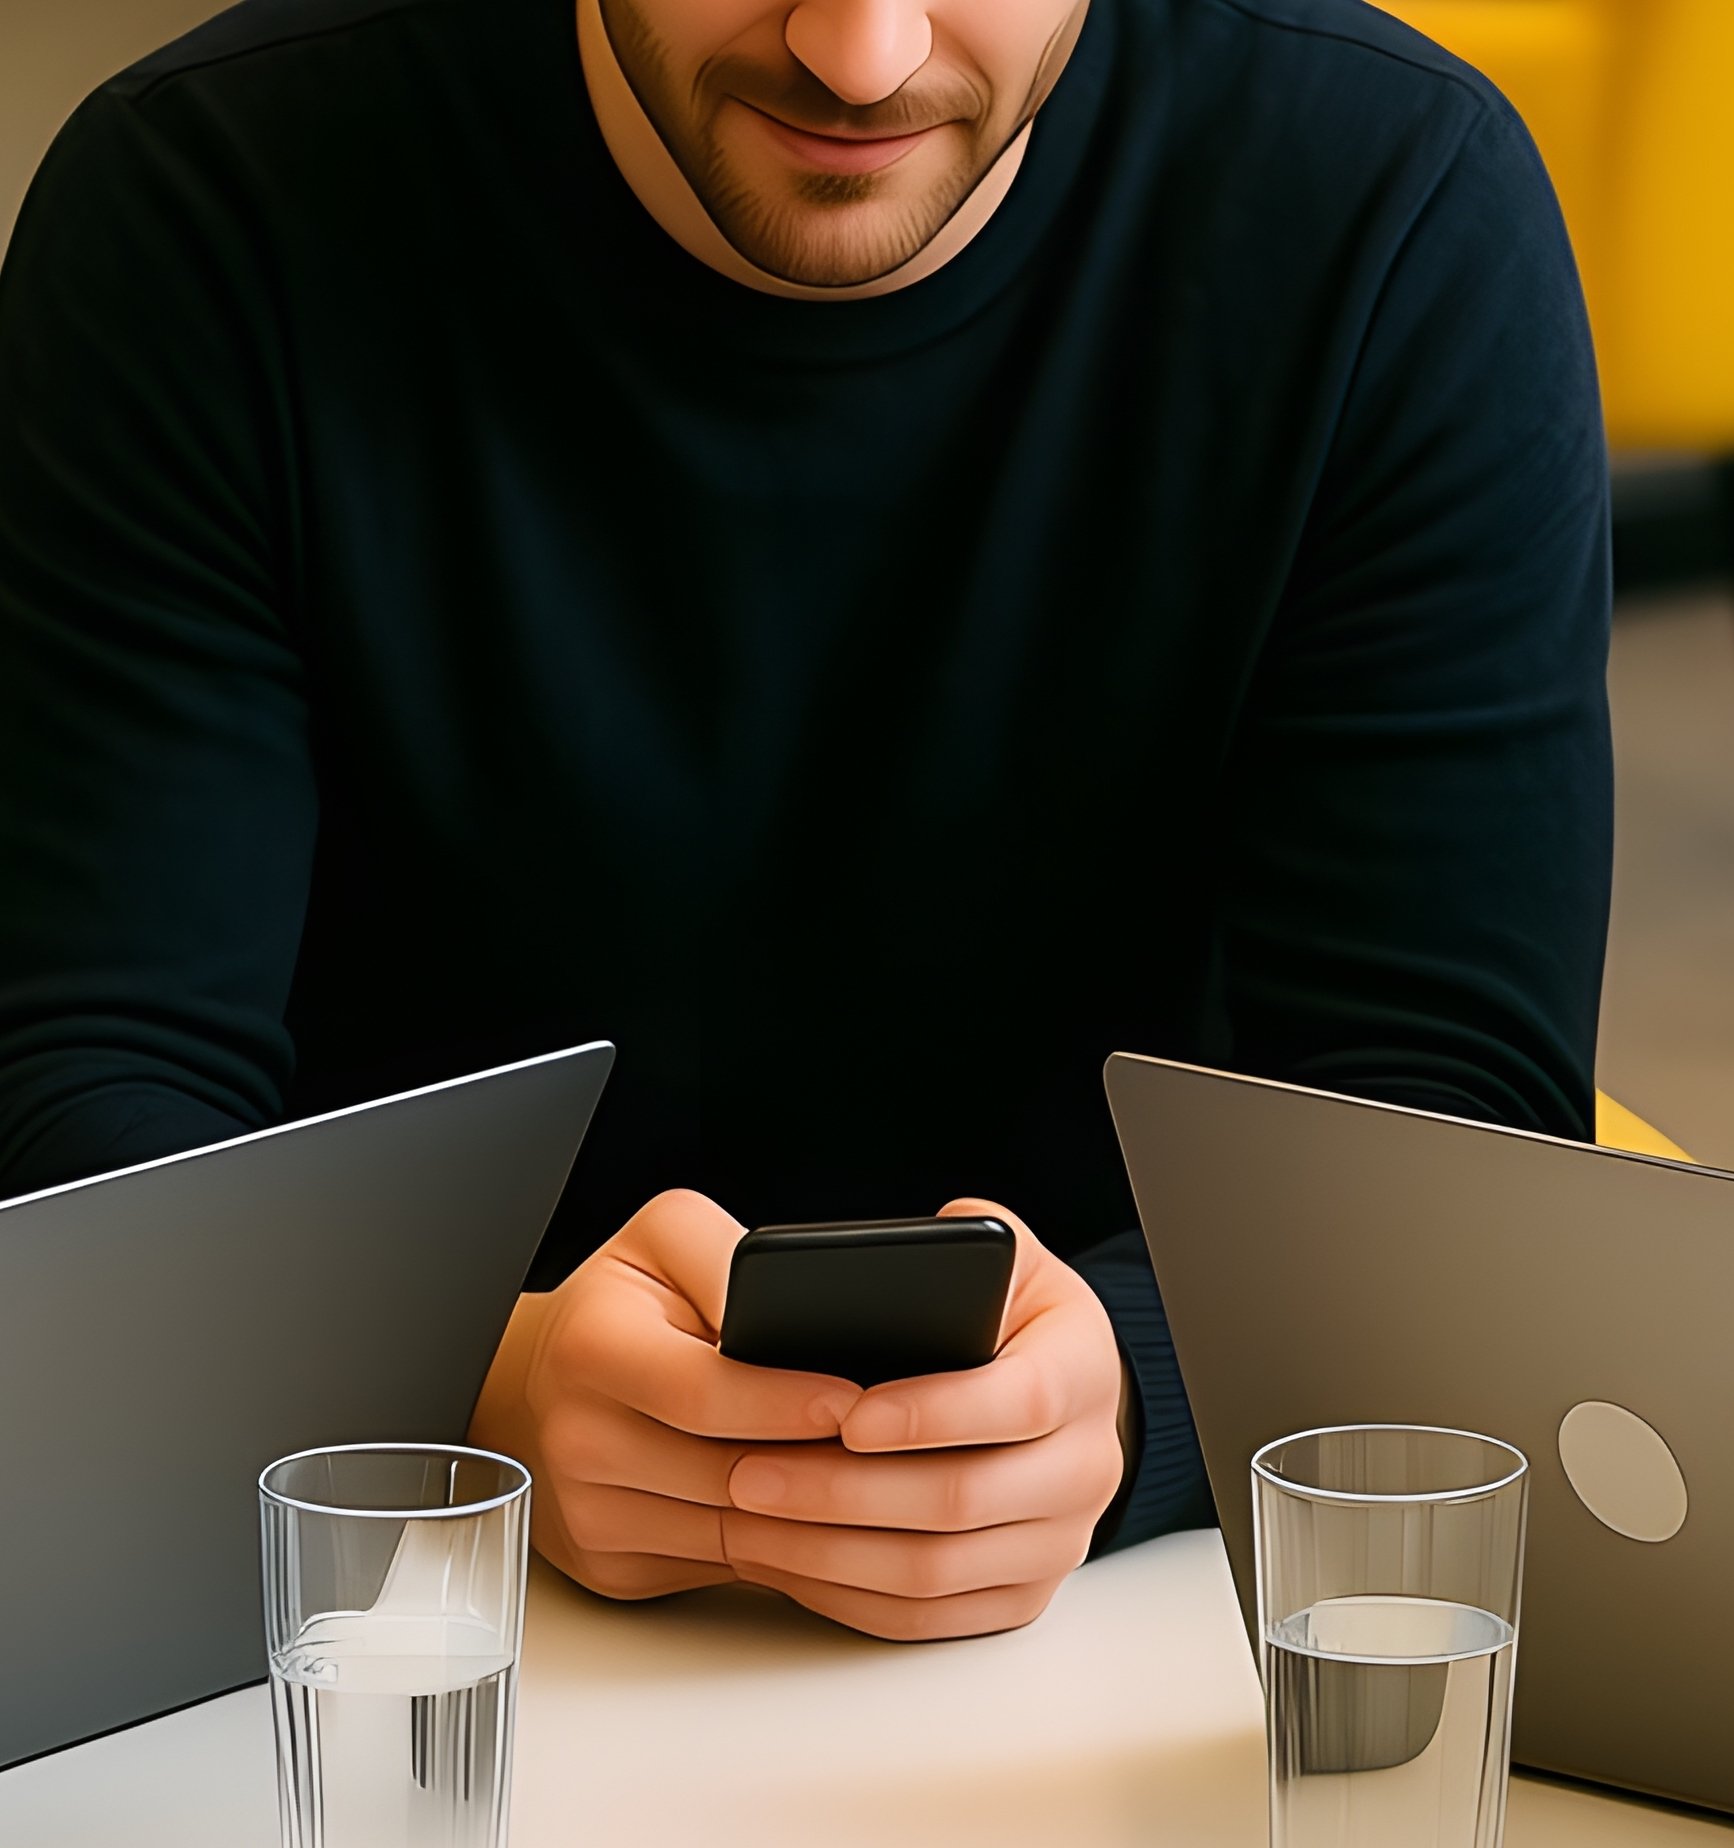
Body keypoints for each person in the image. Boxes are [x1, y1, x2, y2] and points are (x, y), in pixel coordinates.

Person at [0, 0, 1614, 1640]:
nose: (861, 54)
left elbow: (1445, 1122)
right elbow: (75, 1092)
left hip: (1132, 1620)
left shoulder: (1392, 201)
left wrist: (1138, 1383)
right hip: (386, 1614)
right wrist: (469, 1378)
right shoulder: (204, 202)